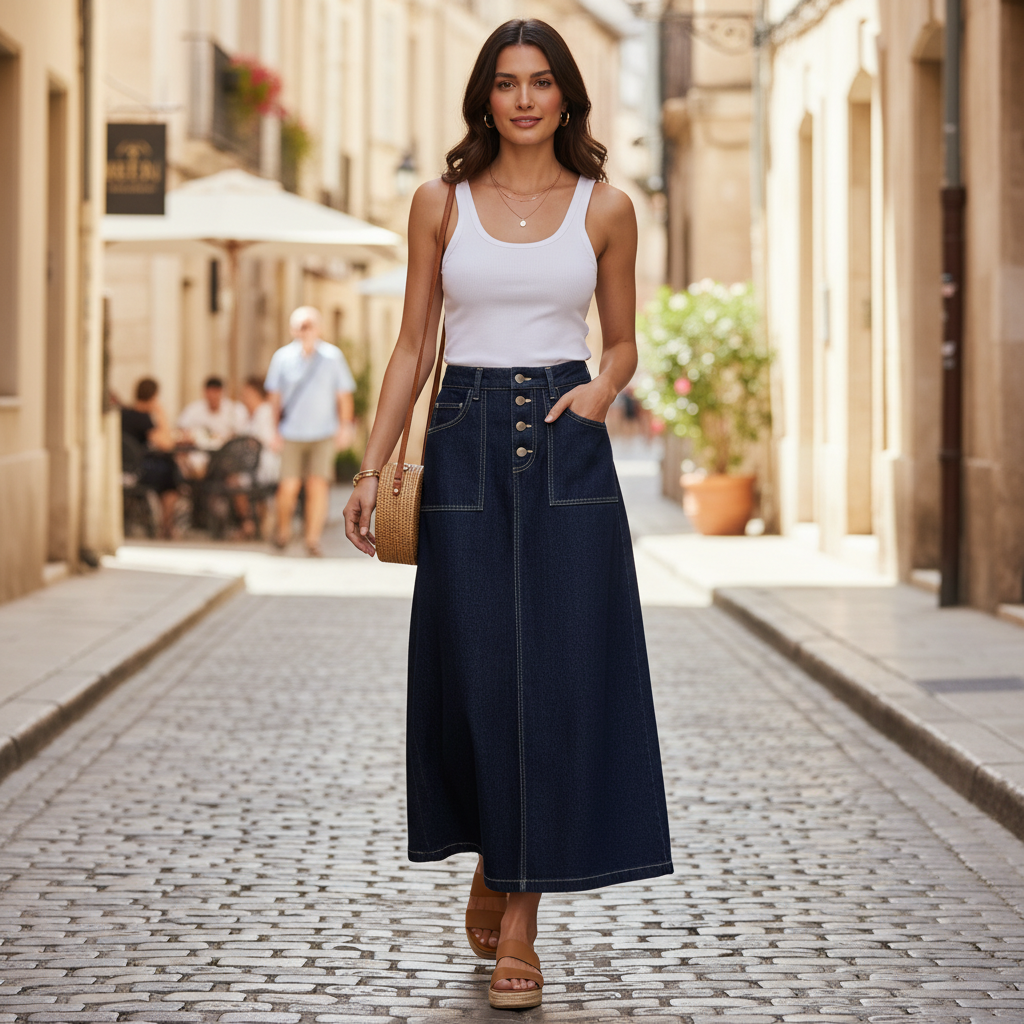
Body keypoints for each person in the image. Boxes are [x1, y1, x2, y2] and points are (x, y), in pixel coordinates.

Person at [343, 19, 672, 1011]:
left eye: (539, 82)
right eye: (504, 82)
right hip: (460, 440)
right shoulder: (437, 203)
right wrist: (371, 467)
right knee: (476, 674)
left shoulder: (606, 208)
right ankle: (497, 850)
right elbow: (410, 345)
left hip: (566, 444)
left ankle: (521, 914)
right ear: (484, 98)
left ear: (566, 97)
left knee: (560, 677)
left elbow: (621, 342)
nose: (522, 99)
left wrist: (600, 392)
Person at [266, 306, 356, 556]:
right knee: (289, 486)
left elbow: (344, 396)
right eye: (300, 326)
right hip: (291, 433)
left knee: (318, 486)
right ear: (292, 329)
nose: (304, 331)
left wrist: (344, 427)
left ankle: (312, 539)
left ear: (318, 328)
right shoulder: (282, 357)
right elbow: (275, 398)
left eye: (309, 325)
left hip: (323, 433)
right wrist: (274, 431)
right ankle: (282, 531)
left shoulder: (332, 357)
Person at [120, 377, 181, 537]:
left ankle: (165, 525)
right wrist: (161, 415)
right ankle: (166, 526)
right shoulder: (143, 418)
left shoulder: (123, 413)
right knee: (171, 474)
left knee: (167, 467)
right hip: (138, 471)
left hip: (121, 468)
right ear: (154, 396)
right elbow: (167, 444)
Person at [177, 376, 246, 453]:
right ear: (205, 392)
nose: (213, 396)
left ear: (222, 392)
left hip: (226, 452)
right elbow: (181, 429)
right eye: (210, 392)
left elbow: (240, 433)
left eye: (216, 392)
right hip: (198, 451)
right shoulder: (193, 409)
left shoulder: (233, 409)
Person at [239, 375, 281, 487]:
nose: (243, 398)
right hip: (254, 467)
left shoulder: (264, 412)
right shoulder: (252, 415)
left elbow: (270, 441)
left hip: (264, 468)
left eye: (246, 394)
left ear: (254, 393)